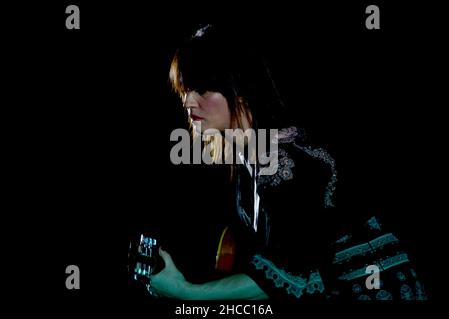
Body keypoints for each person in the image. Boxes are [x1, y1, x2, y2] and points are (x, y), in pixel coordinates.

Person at [146, 24, 428, 301]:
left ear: (241, 88)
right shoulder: (251, 158)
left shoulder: (281, 160)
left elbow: (290, 273)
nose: (188, 102)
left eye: (202, 89)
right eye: (184, 90)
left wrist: (187, 293)